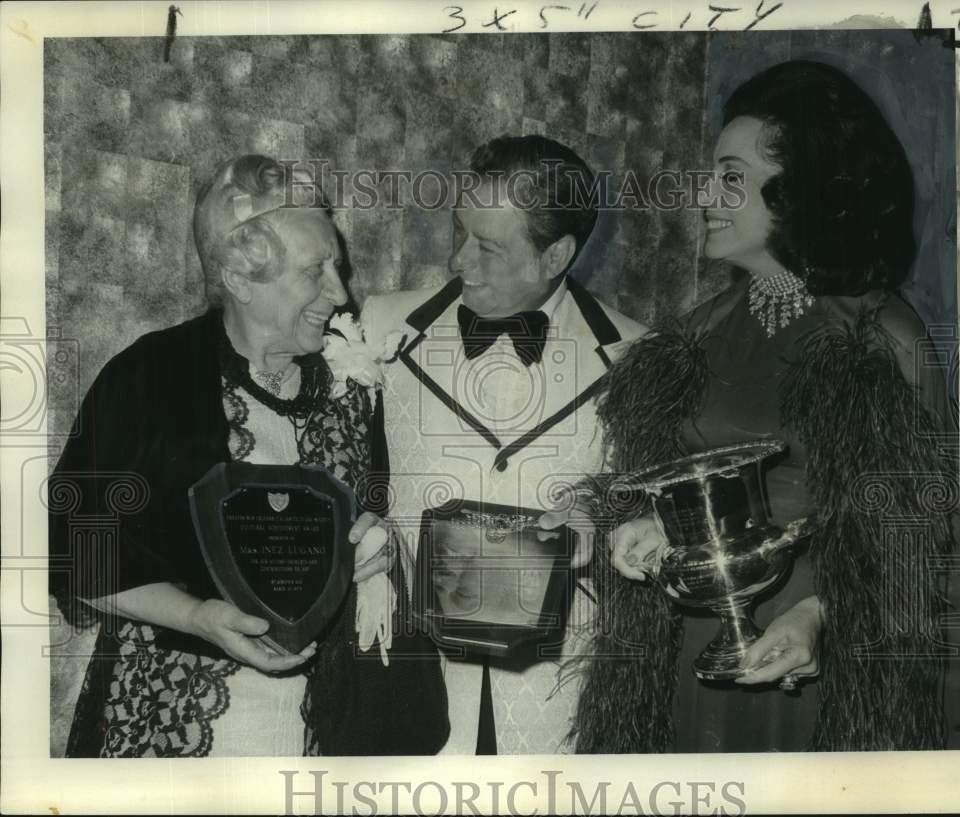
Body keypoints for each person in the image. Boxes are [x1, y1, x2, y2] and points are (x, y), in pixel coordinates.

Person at [567, 60, 960, 752]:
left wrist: (820, 616)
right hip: (690, 649)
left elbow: (927, 536)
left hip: (814, 662)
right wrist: (644, 522)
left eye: (731, 176)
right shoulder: (698, 330)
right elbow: (676, 482)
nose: (705, 194)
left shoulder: (883, 336)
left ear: (802, 189)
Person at [48, 154, 449, 757]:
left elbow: (369, 519)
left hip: (324, 723)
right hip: (181, 723)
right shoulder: (152, 374)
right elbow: (72, 552)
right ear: (239, 279)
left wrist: (377, 551)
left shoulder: (351, 383)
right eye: (314, 272)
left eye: (337, 266)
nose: (340, 293)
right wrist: (198, 617)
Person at [361, 134, 647, 754]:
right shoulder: (379, 327)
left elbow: (645, 514)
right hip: (409, 685)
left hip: (556, 696)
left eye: (487, 246)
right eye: (459, 231)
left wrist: (595, 517)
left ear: (556, 255)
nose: (459, 259)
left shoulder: (636, 356)